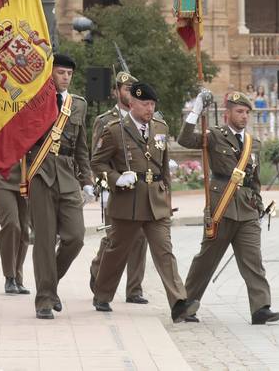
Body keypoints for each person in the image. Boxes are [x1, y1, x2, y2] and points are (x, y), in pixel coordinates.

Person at [91, 80, 194, 322]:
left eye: (152, 104)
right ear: (132, 103)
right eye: (145, 104)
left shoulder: (160, 127)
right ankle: (102, 294)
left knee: (164, 252)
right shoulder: (115, 129)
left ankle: (179, 302)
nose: (150, 109)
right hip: (128, 201)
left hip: (155, 202)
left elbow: (164, 168)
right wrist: (115, 179)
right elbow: (98, 163)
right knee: (117, 251)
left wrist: (167, 196)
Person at [178, 90, 279, 325]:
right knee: (207, 259)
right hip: (221, 205)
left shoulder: (254, 143)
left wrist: (259, 207)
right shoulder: (214, 135)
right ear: (228, 114)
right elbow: (185, 140)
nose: (244, 116)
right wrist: (196, 111)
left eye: (247, 112)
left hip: (247, 208)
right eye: (239, 111)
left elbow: (254, 180)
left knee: (253, 260)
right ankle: (186, 304)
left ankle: (261, 308)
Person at [24, 54, 91, 320]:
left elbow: (82, 146)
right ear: (50, 74)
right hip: (41, 173)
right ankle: (44, 300)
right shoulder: (34, 100)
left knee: (75, 237)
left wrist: (87, 180)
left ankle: (50, 285)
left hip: (67, 175)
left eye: (69, 74)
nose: (65, 77)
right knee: (44, 239)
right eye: (60, 72)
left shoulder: (78, 105)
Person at [88, 70, 148, 304]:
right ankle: (97, 271)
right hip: (115, 186)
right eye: (124, 89)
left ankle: (134, 289)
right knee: (116, 237)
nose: (128, 93)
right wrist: (104, 184)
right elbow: (97, 157)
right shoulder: (105, 121)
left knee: (140, 236)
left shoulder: (144, 117)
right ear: (116, 92)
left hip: (140, 187)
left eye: (131, 90)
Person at [0, 156, 32, 296]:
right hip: (1, 177)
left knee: (24, 231)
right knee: (11, 225)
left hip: (26, 177)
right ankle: (10, 276)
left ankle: (17, 277)